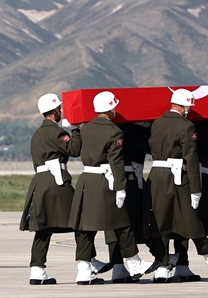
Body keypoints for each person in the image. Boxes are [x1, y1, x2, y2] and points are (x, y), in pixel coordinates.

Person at [148, 88, 208, 282]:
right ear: (183, 105)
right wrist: (196, 189)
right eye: (188, 106)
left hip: (157, 176)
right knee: (190, 219)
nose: (188, 110)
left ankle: (162, 267)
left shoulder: (156, 123)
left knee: (162, 223)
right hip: (178, 177)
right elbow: (192, 159)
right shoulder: (186, 127)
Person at [68, 91, 151, 284]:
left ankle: (83, 270)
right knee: (122, 223)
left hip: (86, 181)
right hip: (106, 182)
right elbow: (116, 162)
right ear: (111, 108)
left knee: (84, 228)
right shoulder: (115, 132)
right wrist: (121, 187)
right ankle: (134, 262)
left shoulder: (86, 128)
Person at [19, 93, 83, 285]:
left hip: (40, 182)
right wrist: (77, 130)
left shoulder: (37, 134)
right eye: (59, 109)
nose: (61, 111)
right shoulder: (56, 132)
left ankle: (37, 270)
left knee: (43, 229)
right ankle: (87, 263)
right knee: (81, 220)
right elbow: (74, 150)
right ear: (55, 111)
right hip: (56, 182)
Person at [107, 119, 164, 282]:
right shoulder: (132, 132)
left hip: (111, 180)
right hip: (131, 181)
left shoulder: (112, 128)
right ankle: (161, 260)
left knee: (115, 226)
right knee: (143, 222)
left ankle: (118, 267)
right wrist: (151, 128)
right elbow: (154, 148)